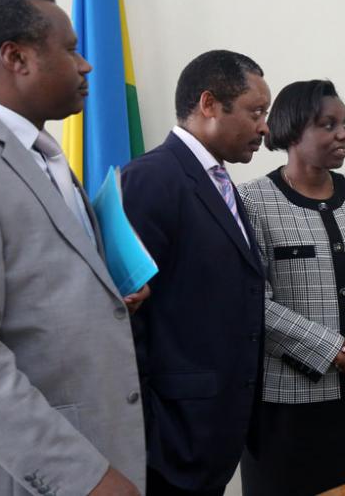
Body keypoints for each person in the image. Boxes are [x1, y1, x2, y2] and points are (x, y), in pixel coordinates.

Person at [0, 0, 147, 495]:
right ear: (17, 57)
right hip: (38, 475)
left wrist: (105, 298)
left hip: (102, 442)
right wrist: (83, 478)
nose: (87, 66)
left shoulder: (43, 153)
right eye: (71, 49)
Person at [238, 79, 345, 495]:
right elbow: (251, 303)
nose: (343, 133)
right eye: (328, 124)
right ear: (293, 132)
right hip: (288, 406)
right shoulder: (251, 202)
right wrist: (332, 348)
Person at [121, 50, 270, 495]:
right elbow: (124, 317)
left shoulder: (218, 181)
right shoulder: (151, 179)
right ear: (209, 104)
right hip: (170, 444)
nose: (264, 126)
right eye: (255, 111)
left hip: (212, 434)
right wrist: (152, 431)